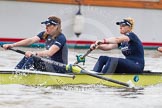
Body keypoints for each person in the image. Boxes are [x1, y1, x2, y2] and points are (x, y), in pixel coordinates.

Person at [2, 16, 68, 73]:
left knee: (32, 57)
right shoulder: (45, 34)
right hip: (49, 64)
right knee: (27, 57)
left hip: (59, 67)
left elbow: (50, 53)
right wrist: (12, 45)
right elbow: (30, 40)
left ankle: (20, 75)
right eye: (46, 25)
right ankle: (16, 72)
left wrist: (34, 53)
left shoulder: (61, 38)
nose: (46, 27)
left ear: (56, 26)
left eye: (48, 25)